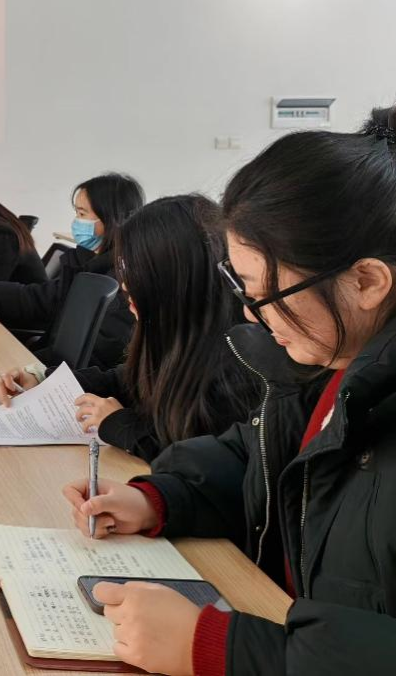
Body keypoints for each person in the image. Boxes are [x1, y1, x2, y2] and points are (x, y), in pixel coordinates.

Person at [62, 107, 396, 676]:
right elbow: (260, 460)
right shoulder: (328, 368)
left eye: (266, 293)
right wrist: (161, 498)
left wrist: (222, 648)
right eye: (243, 289)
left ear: (366, 281)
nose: (249, 313)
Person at [0, 195, 259, 461]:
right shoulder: (173, 331)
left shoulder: (238, 362)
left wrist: (121, 425)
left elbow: (200, 461)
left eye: (138, 270)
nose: (125, 285)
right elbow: (125, 380)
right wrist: (44, 380)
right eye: (125, 267)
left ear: (175, 277)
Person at [0, 173, 144, 368]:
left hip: (63, 375)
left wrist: (36, 372)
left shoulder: (121, 283)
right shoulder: (85, 262)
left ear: (111, 218)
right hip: (51, 363)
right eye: (76, 213)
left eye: (82, 214)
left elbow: (97, 356)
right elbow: (42, 297)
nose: (76, 222)